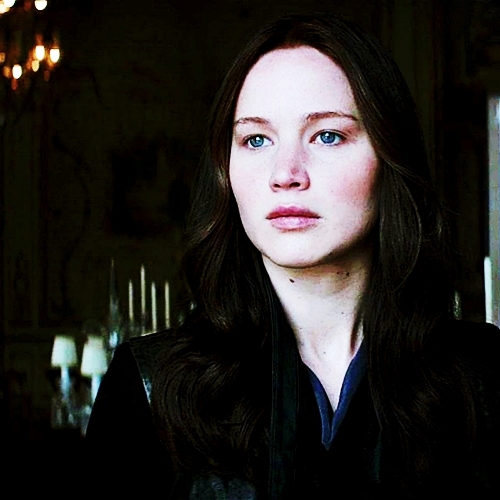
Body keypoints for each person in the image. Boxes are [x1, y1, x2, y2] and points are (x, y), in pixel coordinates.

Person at [85, 13, 500, 498]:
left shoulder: (483, 376)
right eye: (256, 140)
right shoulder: (148, 386)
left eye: (327, 135)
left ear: (389, 155)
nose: (285, 174)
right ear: (226, 170)